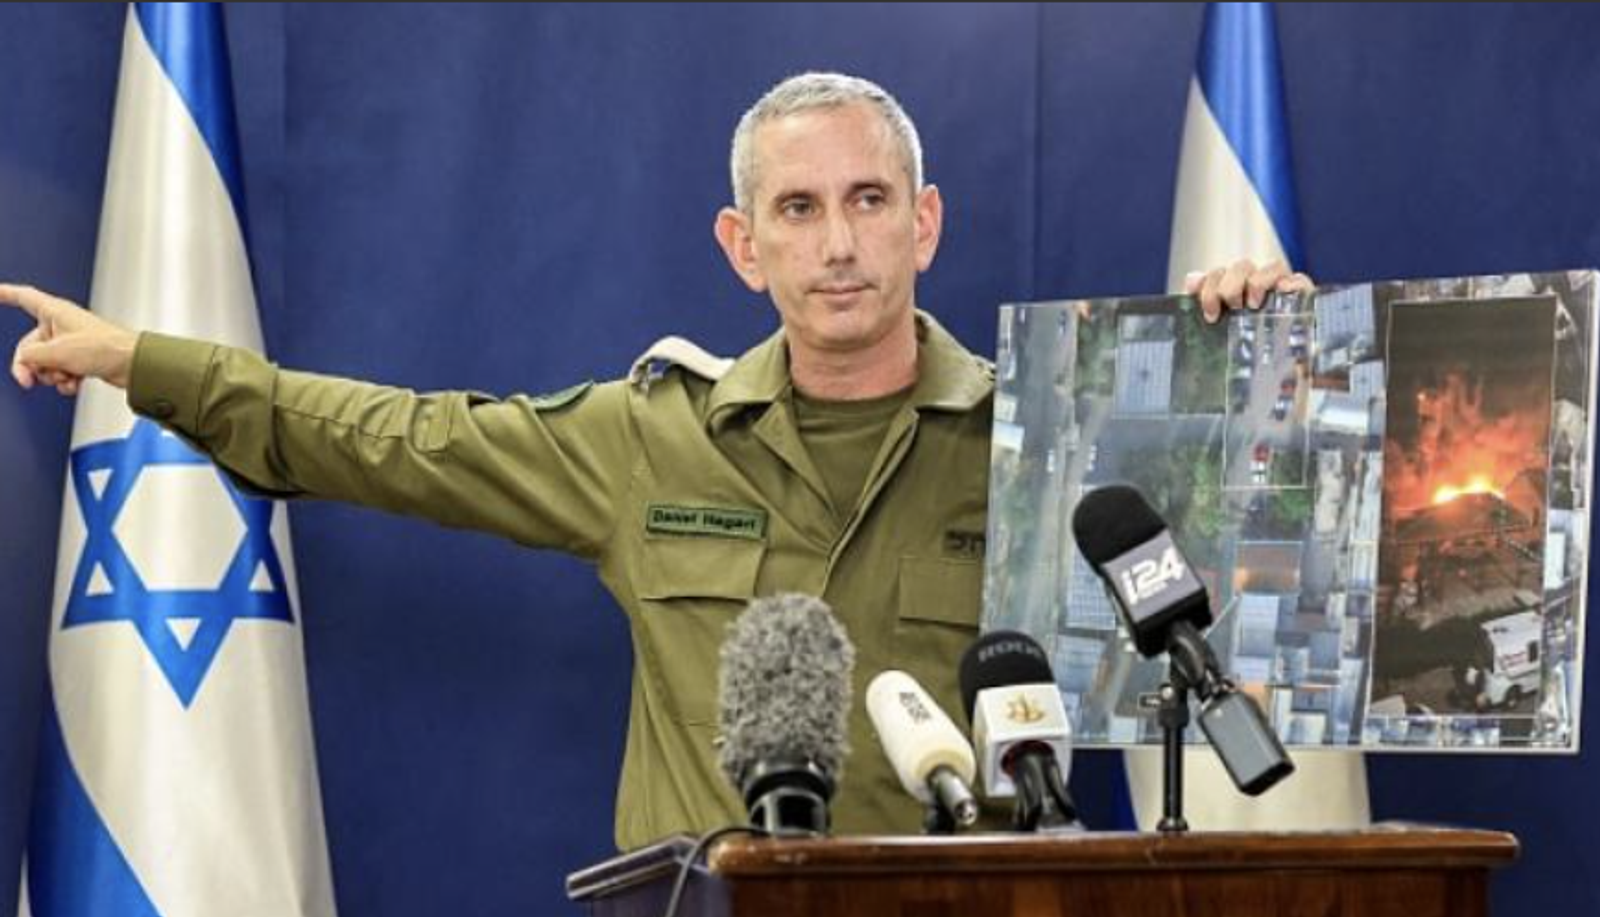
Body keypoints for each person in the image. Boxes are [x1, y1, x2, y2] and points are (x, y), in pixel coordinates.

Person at [4, 72, 1305, 849]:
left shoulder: (1054, 440)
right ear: (745, 246)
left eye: (868, 201)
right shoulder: (649, 436)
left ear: (925, 224)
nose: (837, 245)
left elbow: (1265, 596)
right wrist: (143, 361)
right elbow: (393, 440)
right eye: (799, 209)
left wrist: (1273, 364)